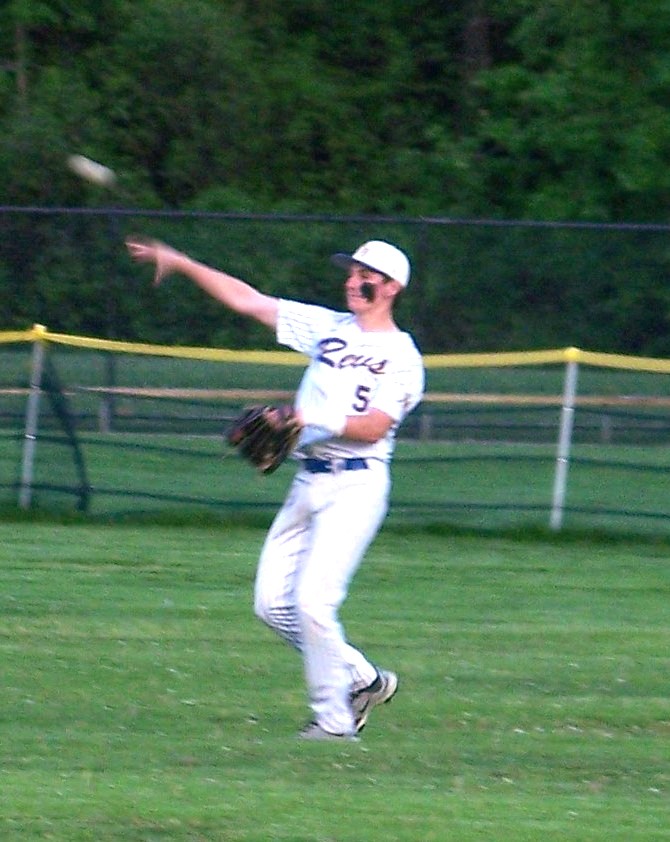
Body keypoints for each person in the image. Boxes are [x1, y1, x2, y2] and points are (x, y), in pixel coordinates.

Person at [126, 236, 425, 740]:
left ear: (392, 287)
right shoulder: (329, 328)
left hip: (357, 486)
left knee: (313, 602)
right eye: (351, 272)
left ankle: (334, 722)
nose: (354, 282)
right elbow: (250, 301)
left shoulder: (402, 355)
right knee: (271, 605)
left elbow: (374, 426)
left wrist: (307, 415)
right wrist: (181, 261)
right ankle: (361, 678)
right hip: (309, 479)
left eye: (366, 276)